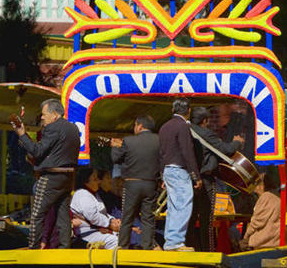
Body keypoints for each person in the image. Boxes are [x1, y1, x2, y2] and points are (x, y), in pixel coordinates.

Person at [12, 98, 80, 249]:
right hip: (68, 177)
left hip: (51, 176)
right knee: (63, 214)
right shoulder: (73, 129)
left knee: (37, 214)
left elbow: (37, 151)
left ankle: (34, 247)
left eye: (44, 114)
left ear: (54, 115)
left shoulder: (52, 128)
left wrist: (22, 134)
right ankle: (65, 247)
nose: (42, 118)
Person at [189, 106, 244, 251]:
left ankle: (190, 247)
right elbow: (226, 149)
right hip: (206, 180)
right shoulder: (206, 133)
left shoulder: (186, 132)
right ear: (205, 120)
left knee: (191, 217)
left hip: (189, 180)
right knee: (207, 219)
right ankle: (206, 249)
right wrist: (237, 142)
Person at [111, 115, 160, 250]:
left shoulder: (128, 141)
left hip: (132, 184)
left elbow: (116, 159)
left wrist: (115, 146)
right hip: (151, 183)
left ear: (139, 126)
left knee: (127, 216)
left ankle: (123, 246)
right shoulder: (159, 140)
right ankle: (147, 246)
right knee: (148, 217)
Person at [158, 98, 202, 251]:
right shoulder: (183, 126)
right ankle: (175, 242)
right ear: (188, 111)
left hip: (168, 170)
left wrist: (162, 173)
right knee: (183, 205)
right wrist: (195, 175)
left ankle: (170, 241)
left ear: (173, 110)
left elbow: (161, 153)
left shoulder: (164, 126)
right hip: (179, 170)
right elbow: (187, 151)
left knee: (173, 206)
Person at [70, 168, 120, 248]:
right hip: (87, 233)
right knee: (115, 241)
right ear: (86, 182)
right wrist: (110, 223)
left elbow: (103, 213)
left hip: (97, 229)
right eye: (95, 179)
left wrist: (114, 220)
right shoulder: (82, 194)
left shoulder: (94, 194)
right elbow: (93, 216)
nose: (99, 182)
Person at [240, 173, 281, 250]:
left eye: (255, 186)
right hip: (276, 237)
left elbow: (257, 221)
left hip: (267, 239)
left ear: (262, 185)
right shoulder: (276, 194)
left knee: (241, 244)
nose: (255, 190)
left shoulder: (265, 197)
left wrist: (246, 236)